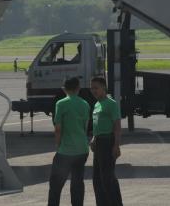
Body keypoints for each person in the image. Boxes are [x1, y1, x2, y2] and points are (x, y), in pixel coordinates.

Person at [48, 77, 90, 206]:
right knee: (77, 183)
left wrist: (58, 144)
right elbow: (85, 127)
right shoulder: (85, 104)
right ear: (79, 88)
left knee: (56, 184)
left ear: (64, 89)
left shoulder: (61, 103)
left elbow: (58, 129)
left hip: (66, 150)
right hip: (82, 149)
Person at [89, 77, 123, 206]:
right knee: (97, 179)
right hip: (98, 143)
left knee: (108, 179)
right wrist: (93, 138)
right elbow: (97, 125)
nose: (93, 90)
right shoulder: (97, 104)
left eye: (96, 88)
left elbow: (117, 126)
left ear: (104, 88)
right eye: (92, 88)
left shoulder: (111, 103)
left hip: (108, 143)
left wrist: (116, 145)